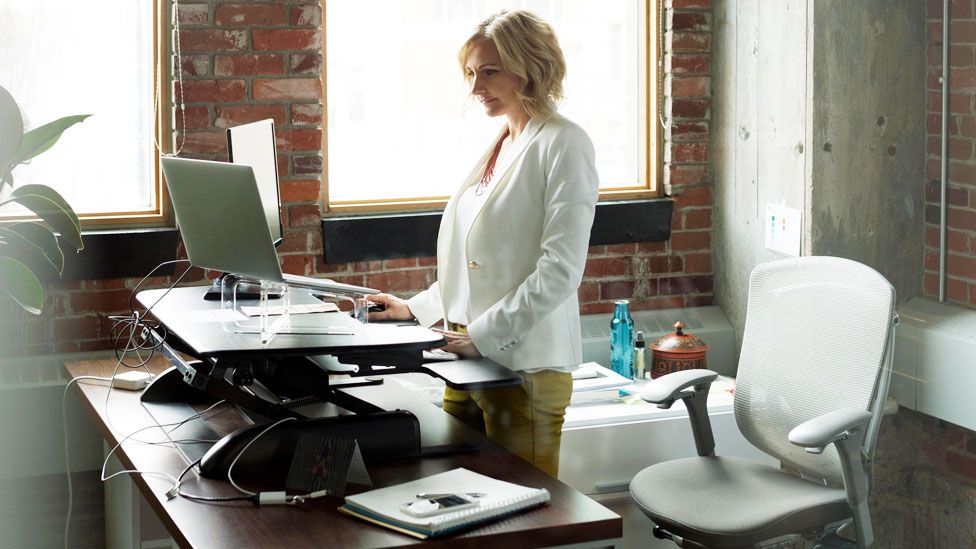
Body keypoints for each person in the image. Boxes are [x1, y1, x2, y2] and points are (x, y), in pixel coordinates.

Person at [369, 9, 598, 478]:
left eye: (490, 71)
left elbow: (560, 270)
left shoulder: (565, 143)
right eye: (472, 73)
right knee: (461, 507)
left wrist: (483, 336)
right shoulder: (502, 143)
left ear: (531, 66)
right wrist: (414, 309)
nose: (476, 88)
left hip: (523, 371)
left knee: (525, 522)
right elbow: (480, 263)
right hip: (467, 361)